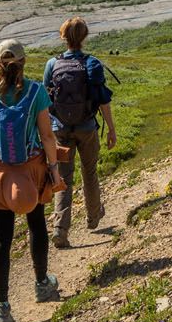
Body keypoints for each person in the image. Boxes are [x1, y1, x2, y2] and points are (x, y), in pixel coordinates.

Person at [0, 38, 65, 322]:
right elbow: (48, 136)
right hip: (31, 170)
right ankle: (42, 284)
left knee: (1, 238)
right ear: (23, 63)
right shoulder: (36, 92)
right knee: (36, 225)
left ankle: (1, 306)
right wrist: (53, 169)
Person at [42, 17, 117, 249]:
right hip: (87, 128)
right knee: (90, 172)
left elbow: (46, 100)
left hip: (60, 129)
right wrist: (111, 129)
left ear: (63, 37)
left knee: (63, 177)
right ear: (84, 37)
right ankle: (93, 217)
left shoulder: (51, 65)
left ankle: (60, 229)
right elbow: (103, 100)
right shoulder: (92, 64)